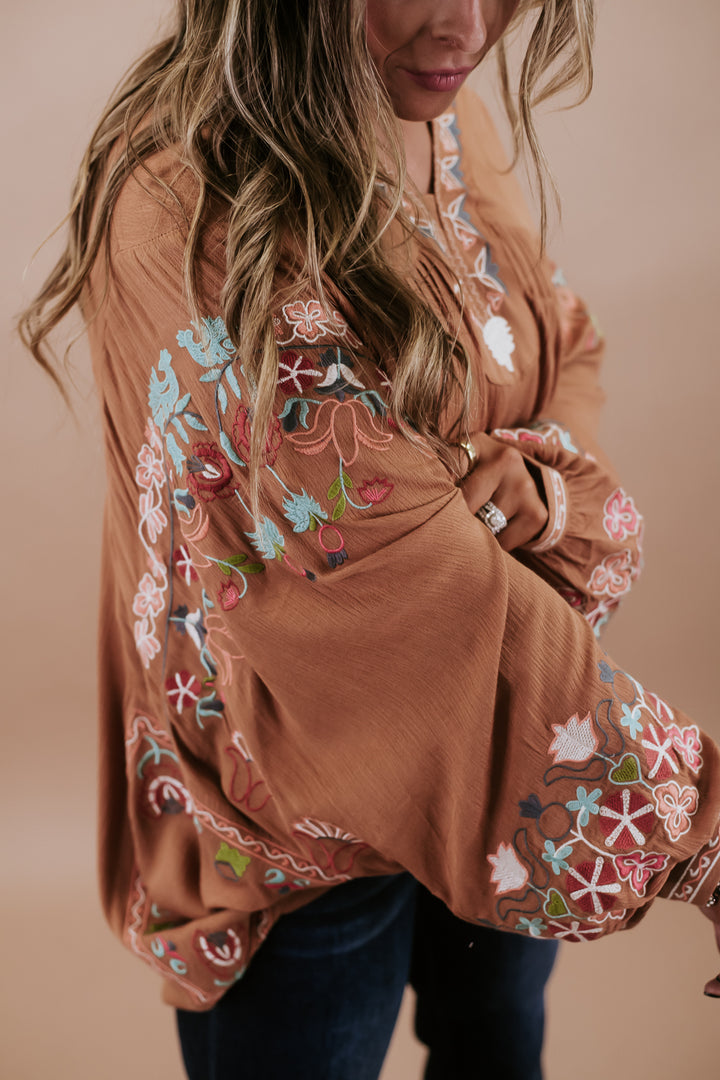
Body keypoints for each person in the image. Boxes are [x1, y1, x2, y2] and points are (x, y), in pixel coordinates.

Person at [17, 1, 720, 1078]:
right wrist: (702, 836)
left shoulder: (434, 107)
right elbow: (384, 565)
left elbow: (555, 339)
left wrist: (543, 487)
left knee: (498, 1049)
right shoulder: (189, 203)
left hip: (507, 752)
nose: (467, 27)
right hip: (297, 821)